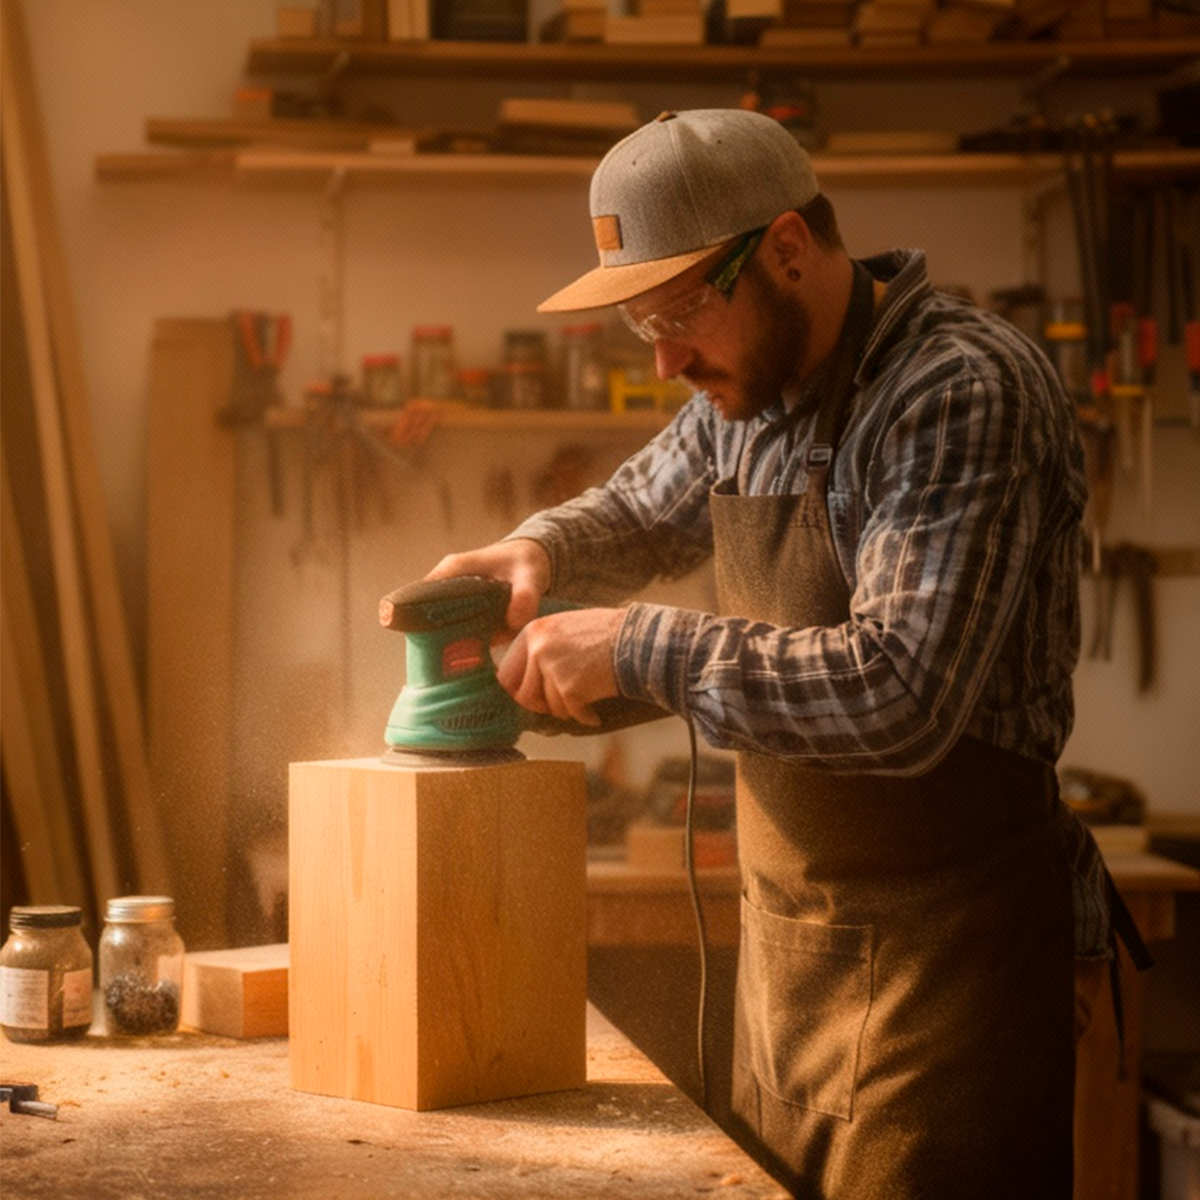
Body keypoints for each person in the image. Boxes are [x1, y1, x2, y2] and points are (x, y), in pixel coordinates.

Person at [423, 108, 1125, 1199]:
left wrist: (638, 646)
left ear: (787, 250)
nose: (663, 360)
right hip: (793, 968)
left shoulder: (958, 390)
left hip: (950, 976)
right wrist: (536, 548)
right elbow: (639, 514)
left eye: (675, 313)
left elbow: (900, 688)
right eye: (637, 325)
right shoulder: (746, 394)